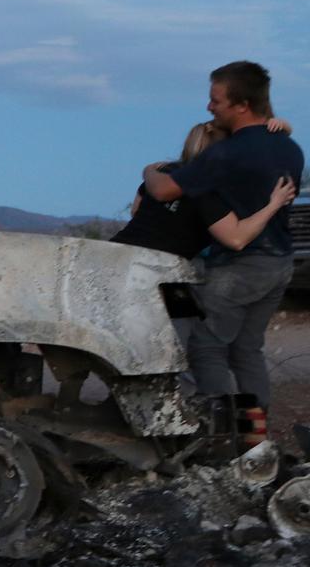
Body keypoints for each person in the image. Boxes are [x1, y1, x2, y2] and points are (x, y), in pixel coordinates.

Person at [143, 61, 304, 409]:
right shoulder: (290, 148)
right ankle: (253, 436)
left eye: (216, 100)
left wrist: (149, 172)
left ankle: (220, 432)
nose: (209, 106)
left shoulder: (226, 154)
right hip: (279, 262)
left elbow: (165, 191)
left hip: (238, 266)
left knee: (206, 347)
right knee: (247, 349)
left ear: (241, 105)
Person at [112, 119, 296, 259]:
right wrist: (274, 204)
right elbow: (236, 239)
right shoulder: (207, 190)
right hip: (151, 267)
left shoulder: (165, 172)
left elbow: (136, 209)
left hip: (118, 251)